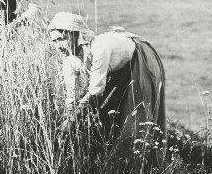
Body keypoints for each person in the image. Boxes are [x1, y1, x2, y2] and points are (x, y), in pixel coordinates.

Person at [47, 12, 166, 154]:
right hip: (114, 69)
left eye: (61, 39)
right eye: (54, 41)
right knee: (107, 116)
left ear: (76, 35)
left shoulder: (99, 48)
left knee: (136, 114)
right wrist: (68, 117)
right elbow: (71, 93)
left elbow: (96, 90)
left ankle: (145, 155)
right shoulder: (68, 58)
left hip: (135, 58)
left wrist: (72, 120)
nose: (58, 46)